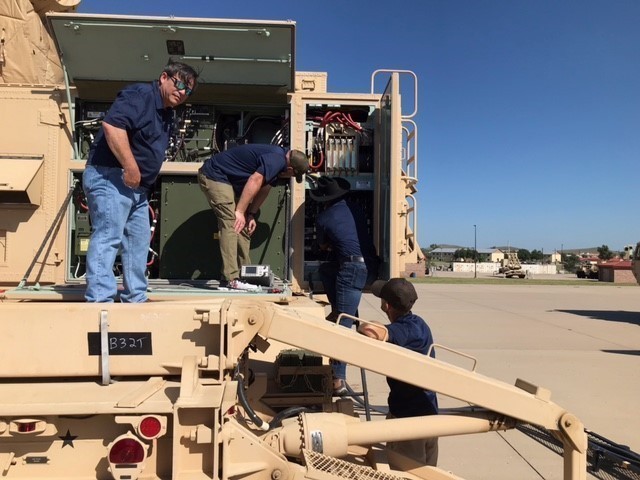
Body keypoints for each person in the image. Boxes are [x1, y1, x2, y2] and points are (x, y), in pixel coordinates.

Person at [83, 60, 198, 303]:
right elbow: (113, 126)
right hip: (111, 177)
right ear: (163, 77)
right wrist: (131, 166)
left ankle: (135, 297)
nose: (183, 92)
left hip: (137, 189)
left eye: (188, 90)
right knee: (108, 236)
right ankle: (99, 301)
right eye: (179, 84)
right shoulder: (141, 95)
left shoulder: (167, 114)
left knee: (137, 244)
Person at [198, 144, 309, 288]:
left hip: (226, 180)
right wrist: (239, 211)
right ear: (290, 169)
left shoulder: (279, 164)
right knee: (231, 222)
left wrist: (250, 214)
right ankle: (231, 279)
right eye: (294, 175)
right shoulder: (277, 160)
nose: (291, 177)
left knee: (241, 226)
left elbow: (265, 189)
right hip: (214, 175)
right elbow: (255, 180)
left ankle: (245, 275)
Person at [310, 176, 378, 393]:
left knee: (342, 324)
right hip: (371, 267)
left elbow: (321, 246)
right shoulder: (356, 209)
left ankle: (338, 380)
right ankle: (340, 308)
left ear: (323, 199)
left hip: (352, 271)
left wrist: (328, 244)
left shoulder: (323, 217)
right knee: (327, 270)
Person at [360, 278, 439, 467]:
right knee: (428, 473)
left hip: (408, 419)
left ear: (386, 305)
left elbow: (371, 331)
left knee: (406, 473)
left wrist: (361, 325)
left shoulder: (404, 330)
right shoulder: (419, 323)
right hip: (429, 414)